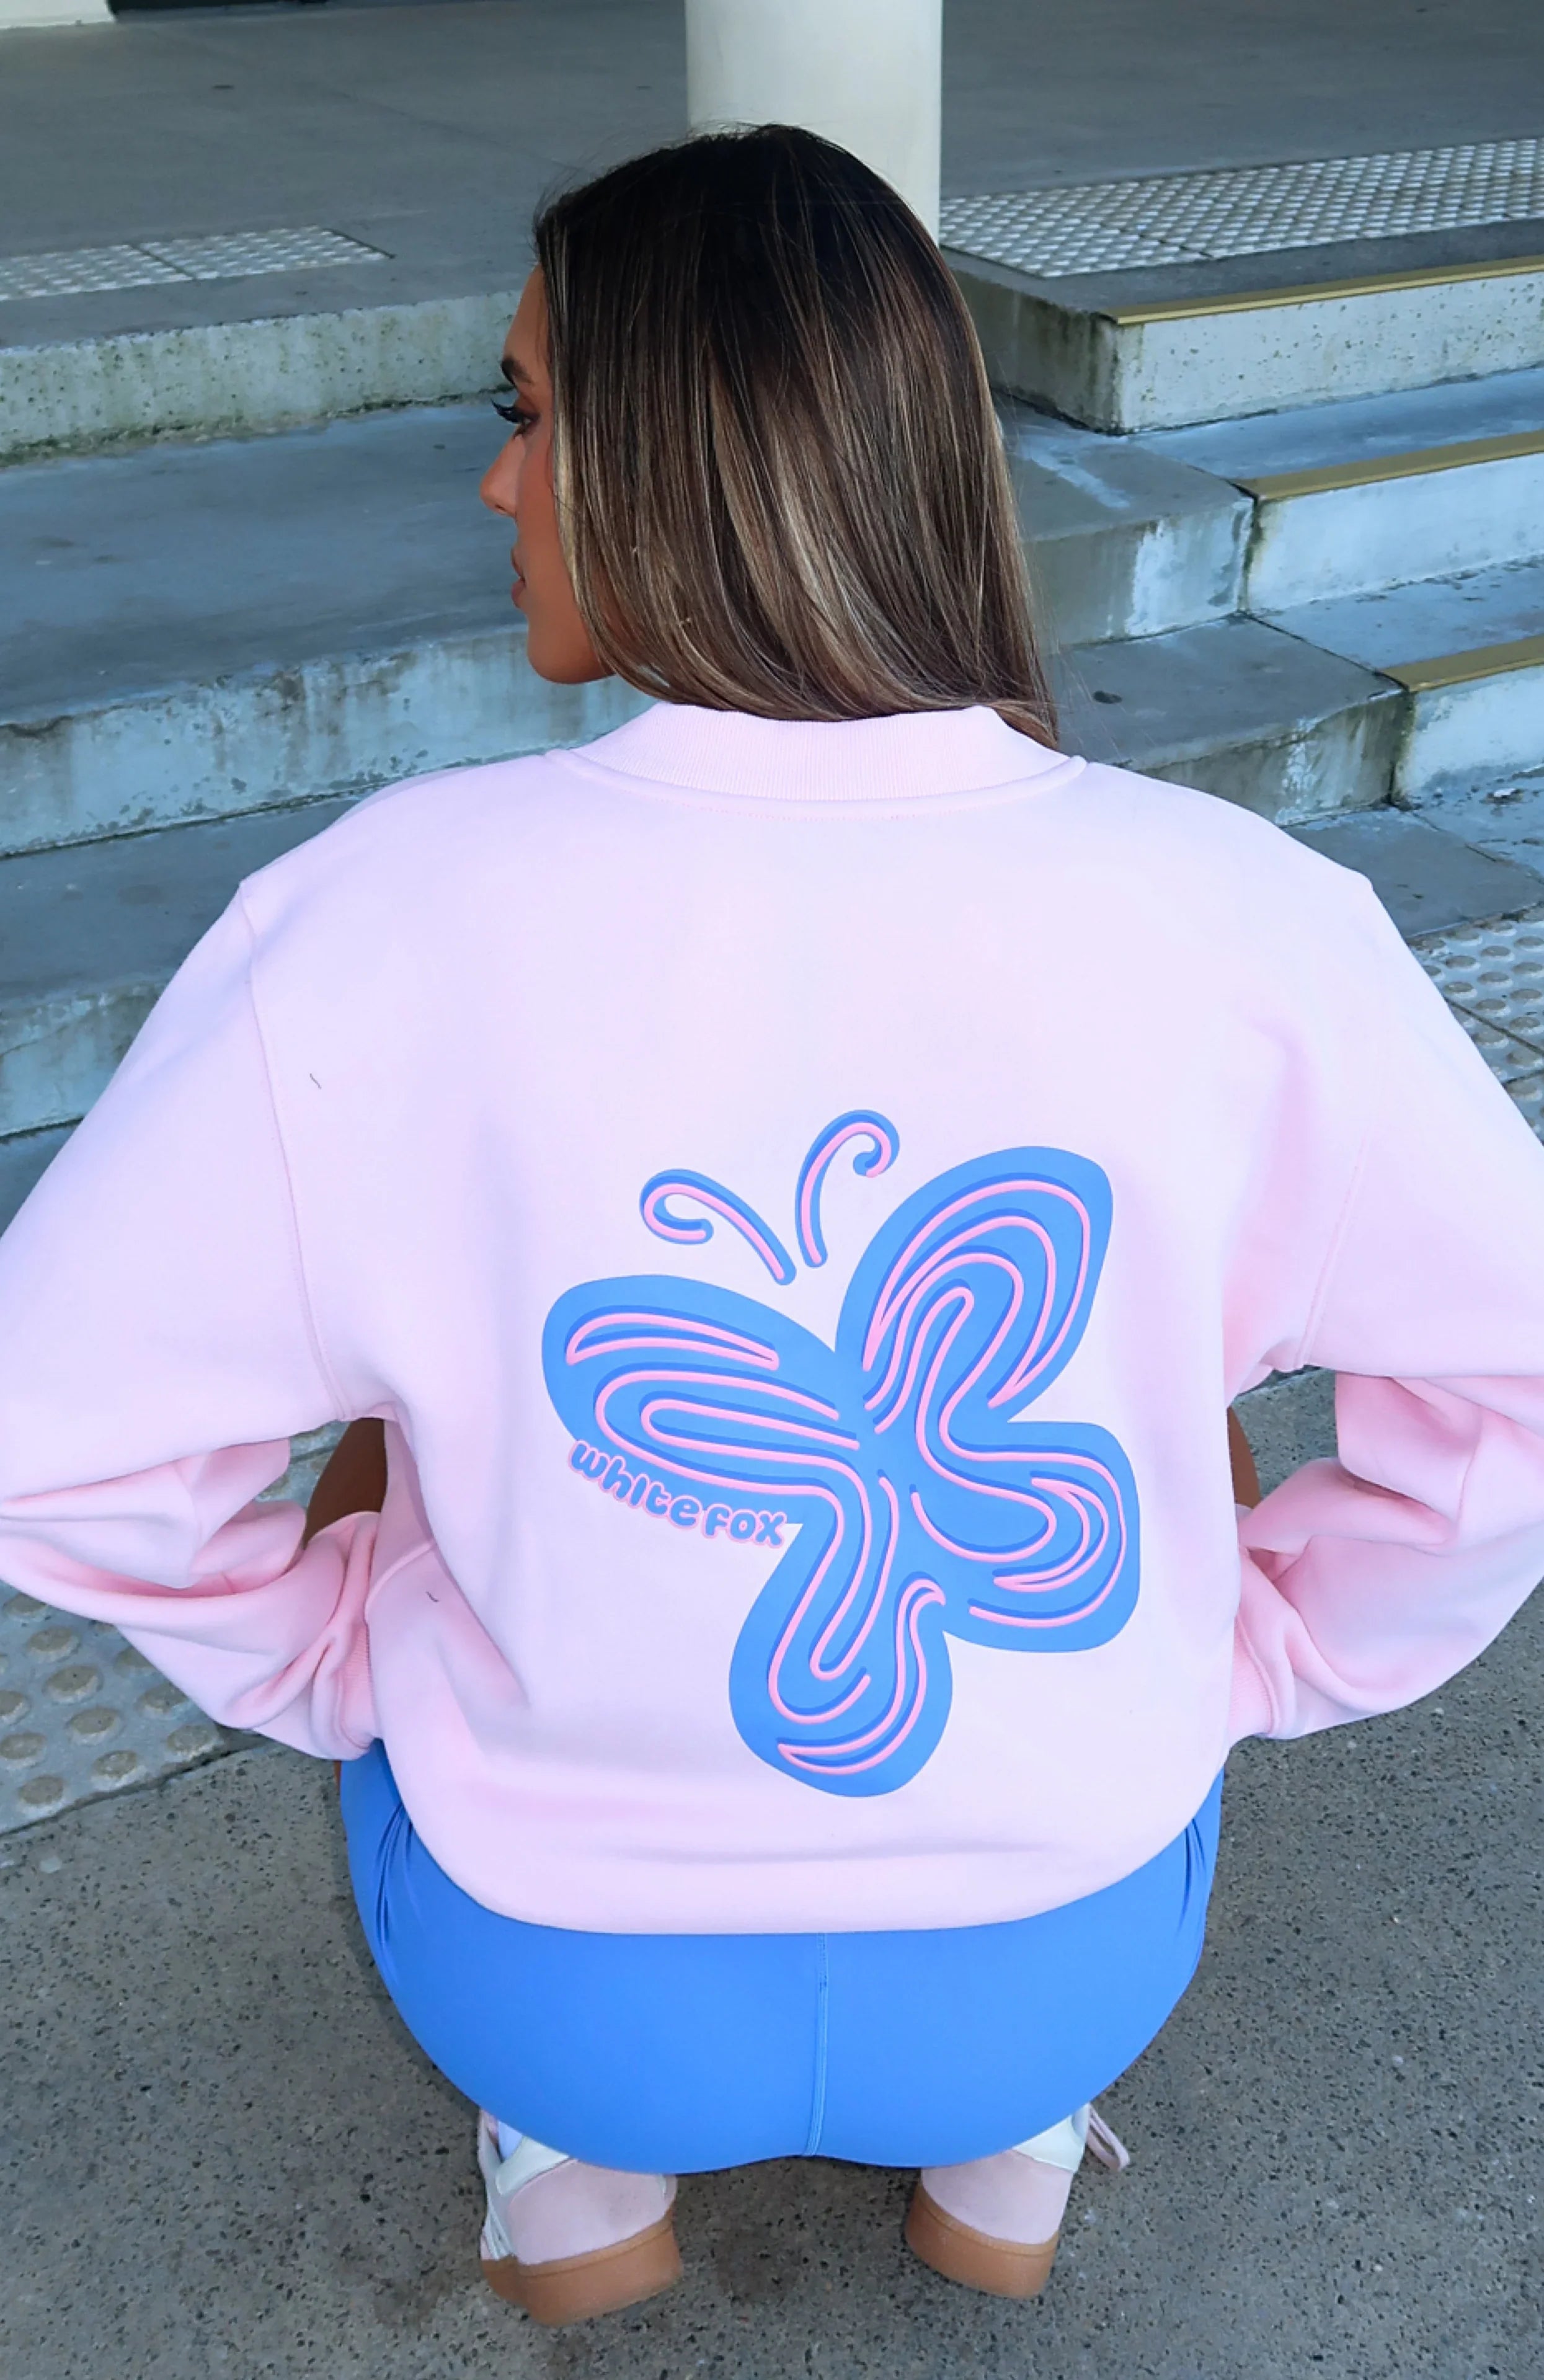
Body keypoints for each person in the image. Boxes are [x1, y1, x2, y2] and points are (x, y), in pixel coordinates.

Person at [1, 127, 1542, 2330]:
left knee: (404, 1447)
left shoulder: (370, 917)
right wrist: (1267, 1648)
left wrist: (343, 1653)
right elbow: (1512, 1386)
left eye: (531, 414)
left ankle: (574, 2188)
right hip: (1060, 1959)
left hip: (563, 1979)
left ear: (684, 452)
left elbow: (48, 1445)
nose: (497, 484)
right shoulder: (1252, 917)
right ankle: (1003, 2159)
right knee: (1161, 1416)